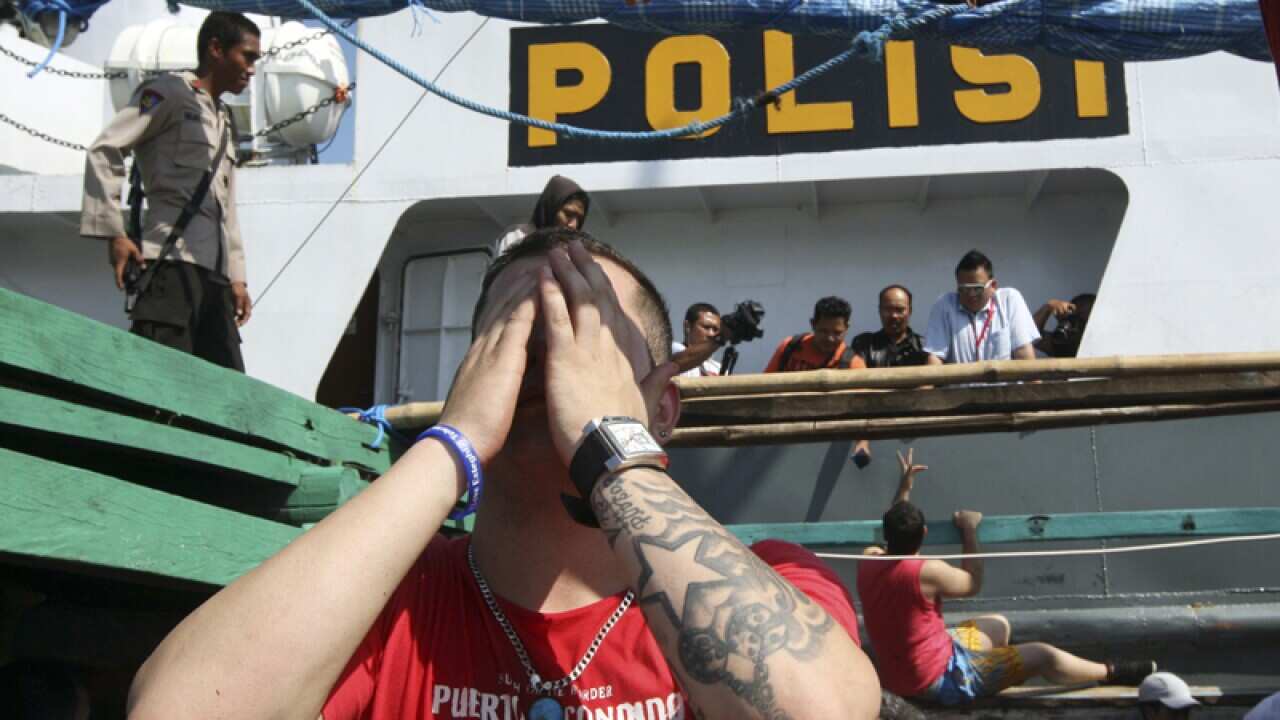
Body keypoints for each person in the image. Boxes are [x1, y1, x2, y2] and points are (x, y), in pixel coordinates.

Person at [127, 228, 881, 720]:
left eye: (582, 330)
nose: (542, 364)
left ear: (663, 408)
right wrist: (453, 443)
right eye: (513, 335)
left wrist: (613, 445)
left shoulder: (774, 581)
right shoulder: (383, 599)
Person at [856, 449, 1154, 707]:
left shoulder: (867, 559)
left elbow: (893, 529)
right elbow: (972, 583)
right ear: (924, 533)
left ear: (886, 535)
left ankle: (990, 677)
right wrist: (969, 530)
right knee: (1043, 655)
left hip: (905, 671)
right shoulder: (926, 572)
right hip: (937, 679)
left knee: (999, 625)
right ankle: (1112, 672)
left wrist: (904, 487)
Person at [80, 12, 259, 372]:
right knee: (162, 386)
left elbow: (228, 210)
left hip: (215, 280)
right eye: (248, 56)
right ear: (216, 49)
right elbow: (105, 149)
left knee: (226, 391)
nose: (252, 69)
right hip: (171, 267)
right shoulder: (168, 94)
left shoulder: (225, 120)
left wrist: (237, 278)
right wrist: (114, 234)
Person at [847, 285, 929, 467]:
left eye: (900, 310)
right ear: (879, 311)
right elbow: (857, 384)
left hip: (912, 425)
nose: (894, 315)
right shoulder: (864, 343)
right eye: (888, 309)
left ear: (910, 311)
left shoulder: (925, 346)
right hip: (871, 417)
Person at [924, 250, 1040, 365]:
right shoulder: (944, 305)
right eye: (964, 289)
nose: (971, 294)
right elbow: (935, 357)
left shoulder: (1009, 299)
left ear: (993, 286)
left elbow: (1023, 352)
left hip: (1003, 382)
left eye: (977, 288)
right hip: (960, 383)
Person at [493, 175, 590, 257]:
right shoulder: (517, 237)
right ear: (551, 208)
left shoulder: (573, 251)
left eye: (580, 219)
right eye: (568, 214)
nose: (573, 225)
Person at [764, 296, 866, 373]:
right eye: (823, 331)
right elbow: (765, 385)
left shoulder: (853, 365)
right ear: (813, 324)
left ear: (847, 328)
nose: (830, 338)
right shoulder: (790, 347)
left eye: (837, 333)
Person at [1034, 293, 1096, 358]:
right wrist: (1049, 306)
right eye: (1074, 315)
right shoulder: (1063, 341)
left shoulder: (1101, 341)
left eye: (1081, 314)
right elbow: (1032, 338)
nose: (1076, 319)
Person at [671, 302, 722, 378]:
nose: (711, 334)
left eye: (715, 329)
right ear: (687, 326)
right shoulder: (673, 349)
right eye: (706, 327)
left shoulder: (718, 367)